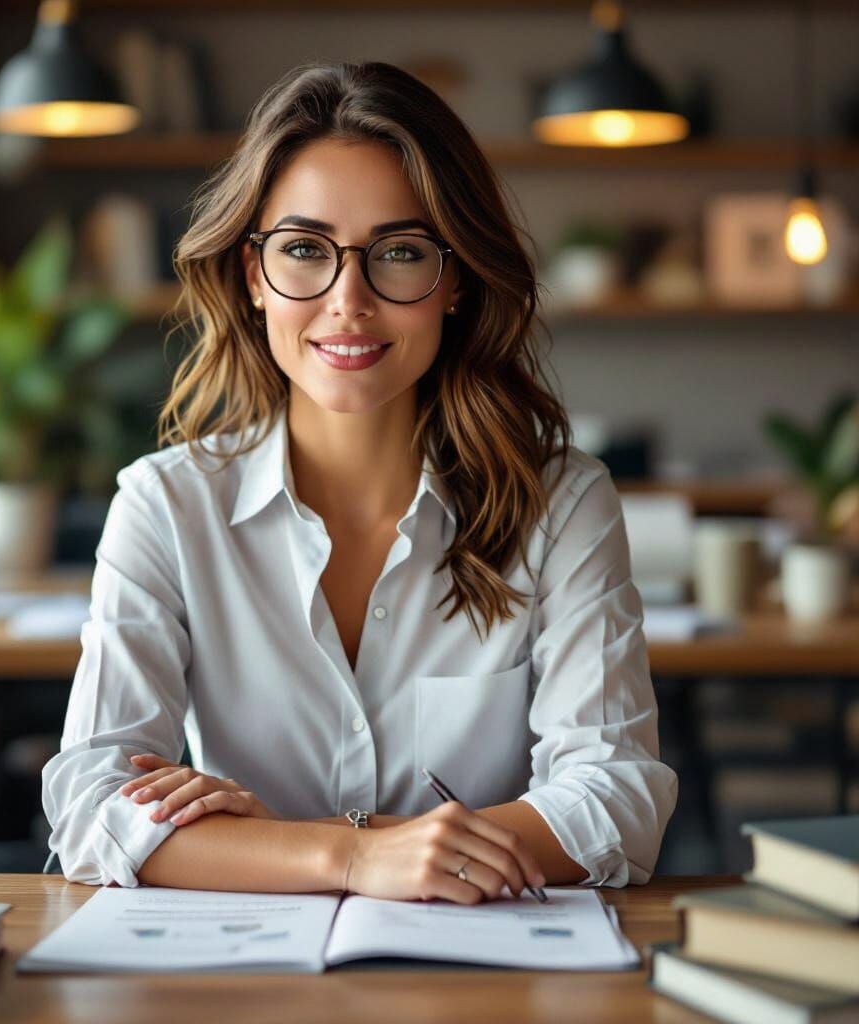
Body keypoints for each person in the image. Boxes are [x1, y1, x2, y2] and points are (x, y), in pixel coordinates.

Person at [41, 60, 677, 904]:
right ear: (251, 276)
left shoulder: (563, 504)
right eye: (304, 249)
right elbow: (91, 808)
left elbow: (615, 801)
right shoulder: (165, 506)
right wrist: (349, 859)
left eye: (400, 253)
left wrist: (277, 843)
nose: (349, 300)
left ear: (453, 283)